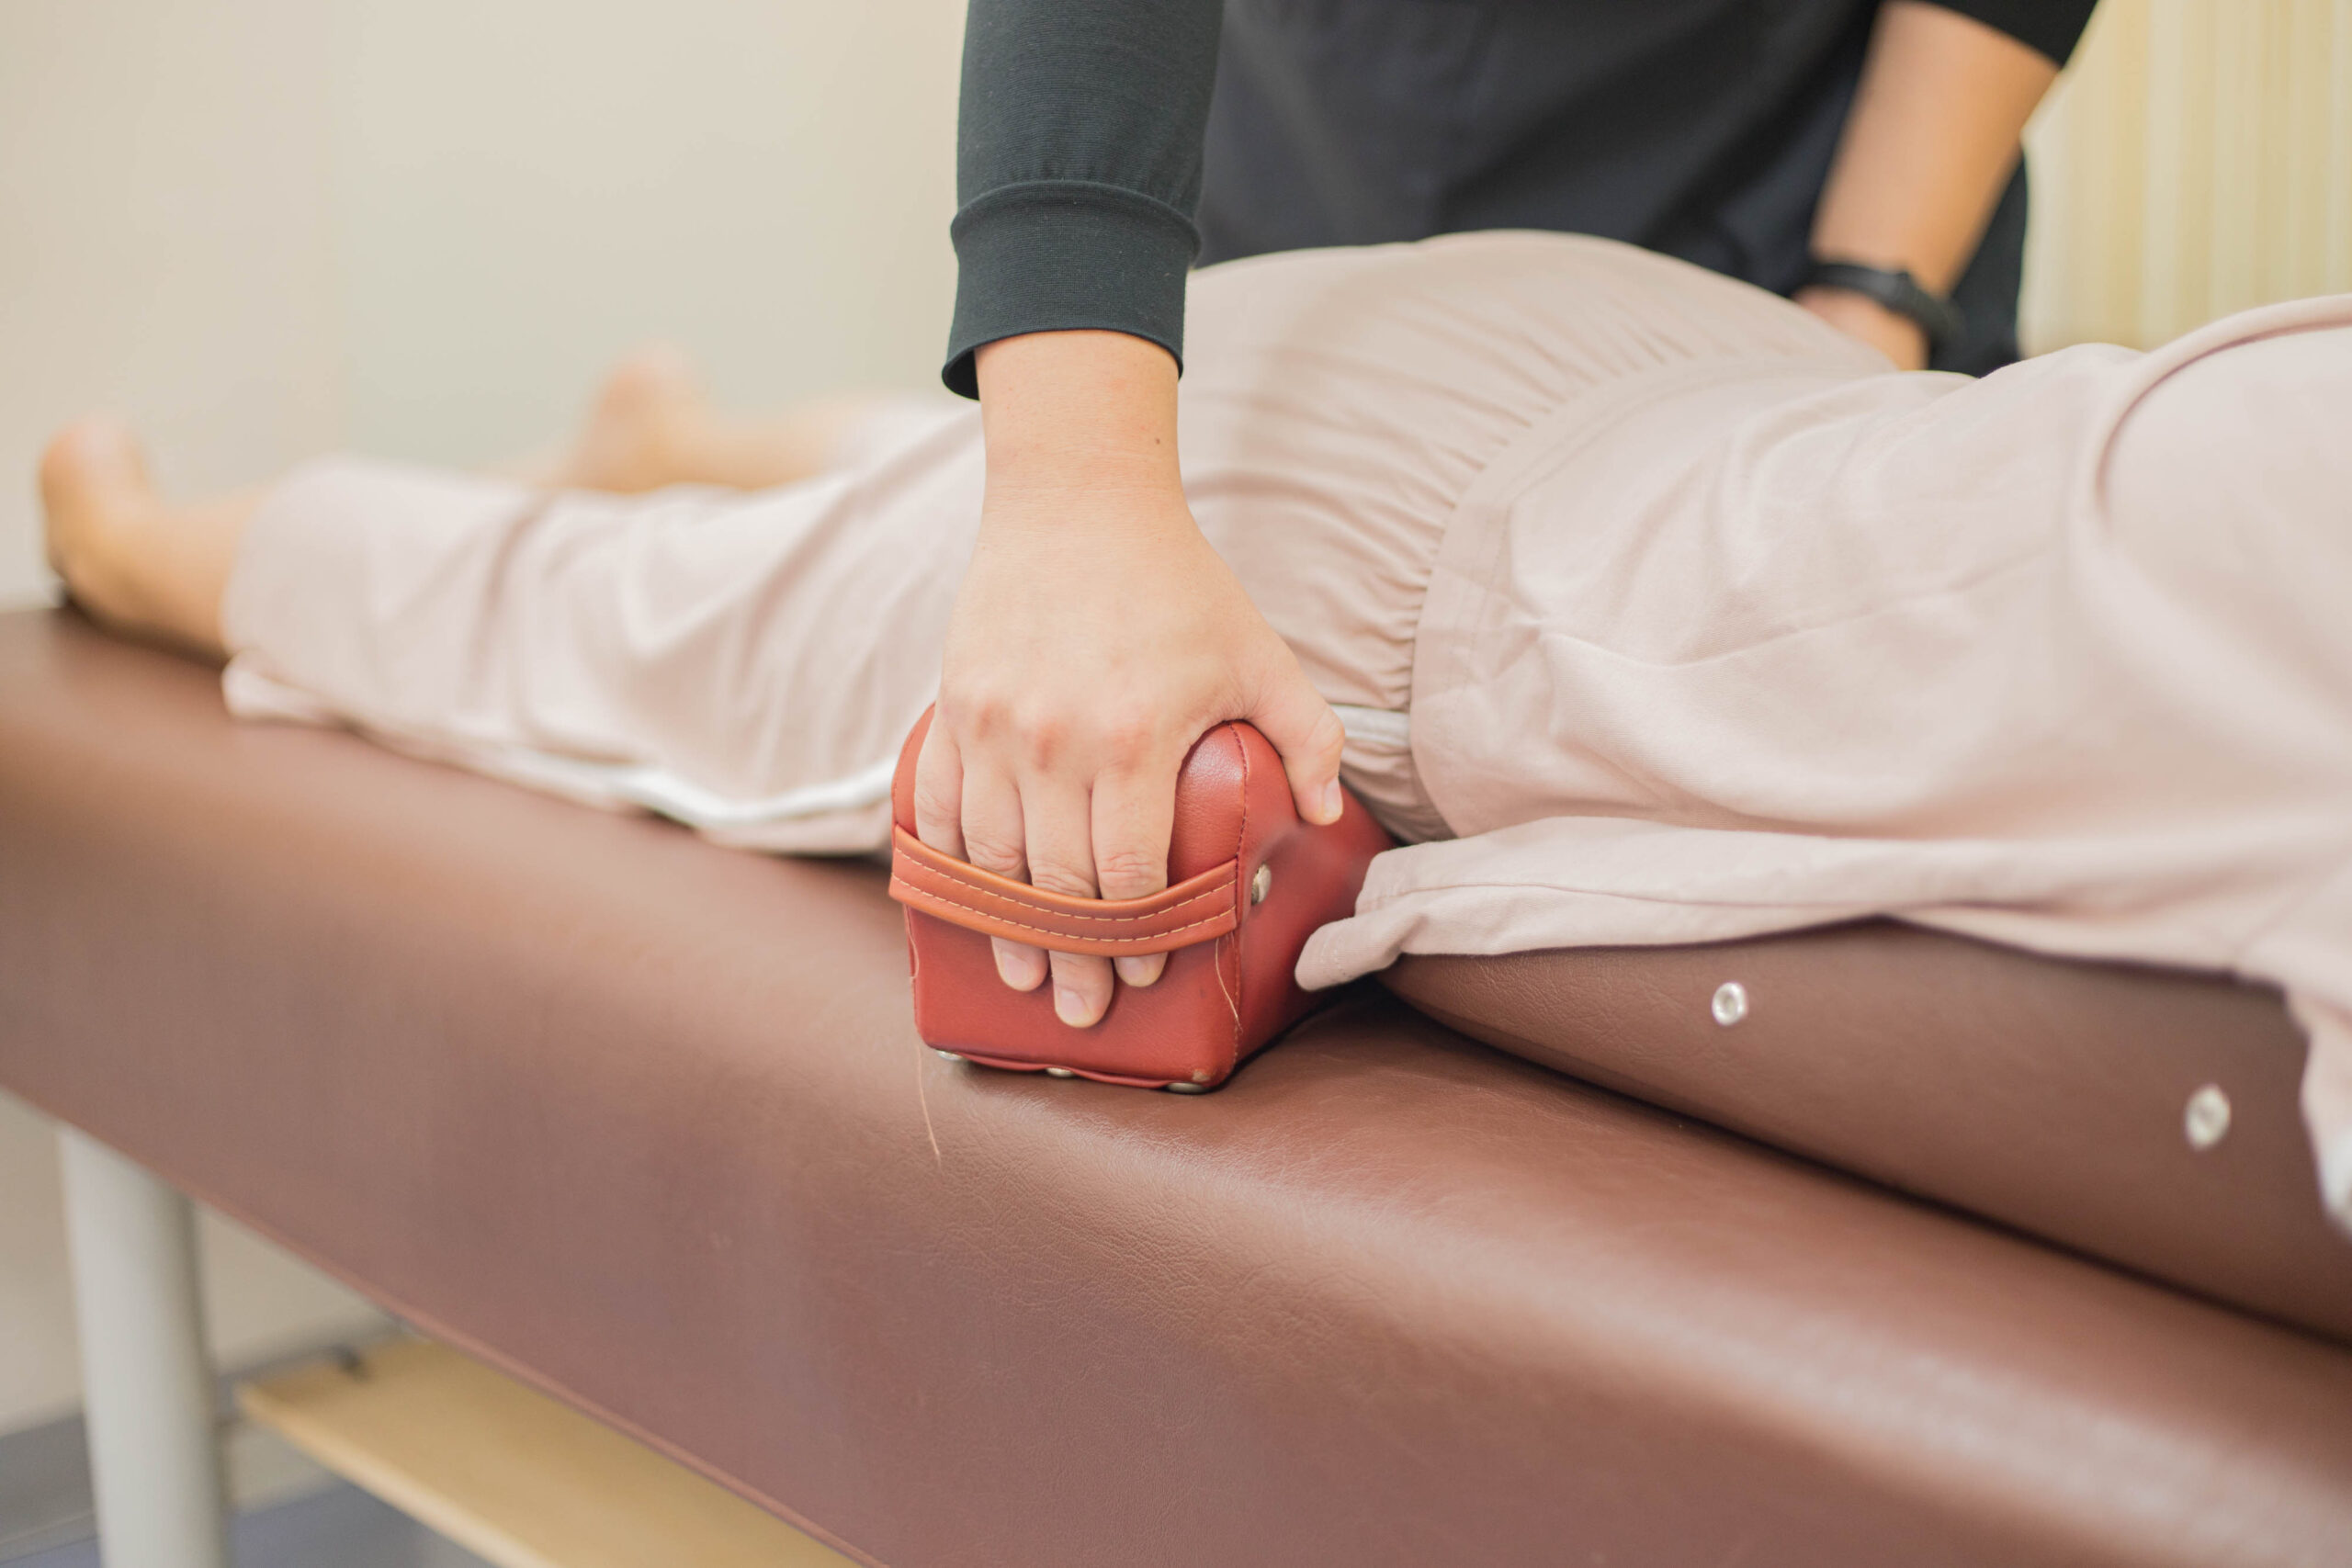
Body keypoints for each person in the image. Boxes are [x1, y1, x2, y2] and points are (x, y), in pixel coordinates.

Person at [37, 232, 2352, 1227]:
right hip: (1382, 538)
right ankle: (136, 540)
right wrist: (1068, 485)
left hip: (1702, 383)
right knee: (625, 635)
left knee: (842, 526)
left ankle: (726, 430)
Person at [930, 0, 2096, 1035]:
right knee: (918, 496)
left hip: (1784, 254)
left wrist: (1871, 299)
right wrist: (1074, 499)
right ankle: (758, 453)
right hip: (1319, 281)